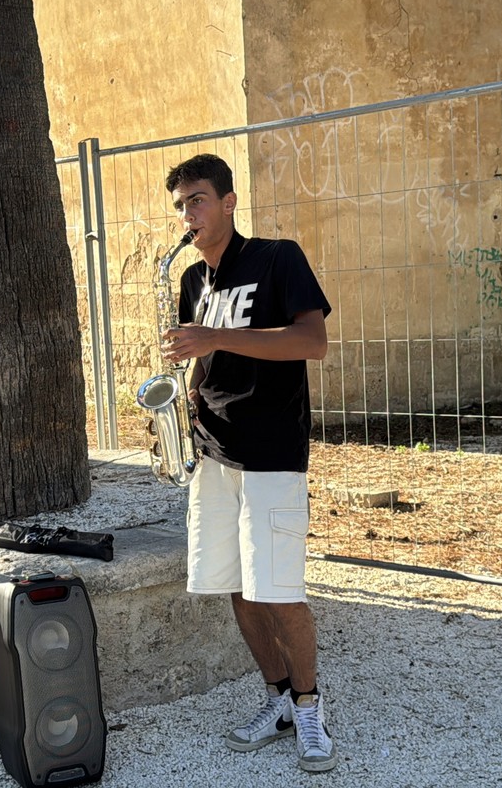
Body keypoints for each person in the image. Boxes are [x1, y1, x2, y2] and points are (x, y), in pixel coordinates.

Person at [159, 153, 337, 772]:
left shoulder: (277, 258)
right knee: (237, 587)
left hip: (271, 453)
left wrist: (213, 336)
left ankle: (310, 706)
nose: (189, 214)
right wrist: (185, 396)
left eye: (198, 200)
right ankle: (279, 698)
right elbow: (206, 360)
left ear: (229, 202)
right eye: (181, 205)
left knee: (280, 591)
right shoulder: (191, 281)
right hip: (213, 453)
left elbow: (312, 342)